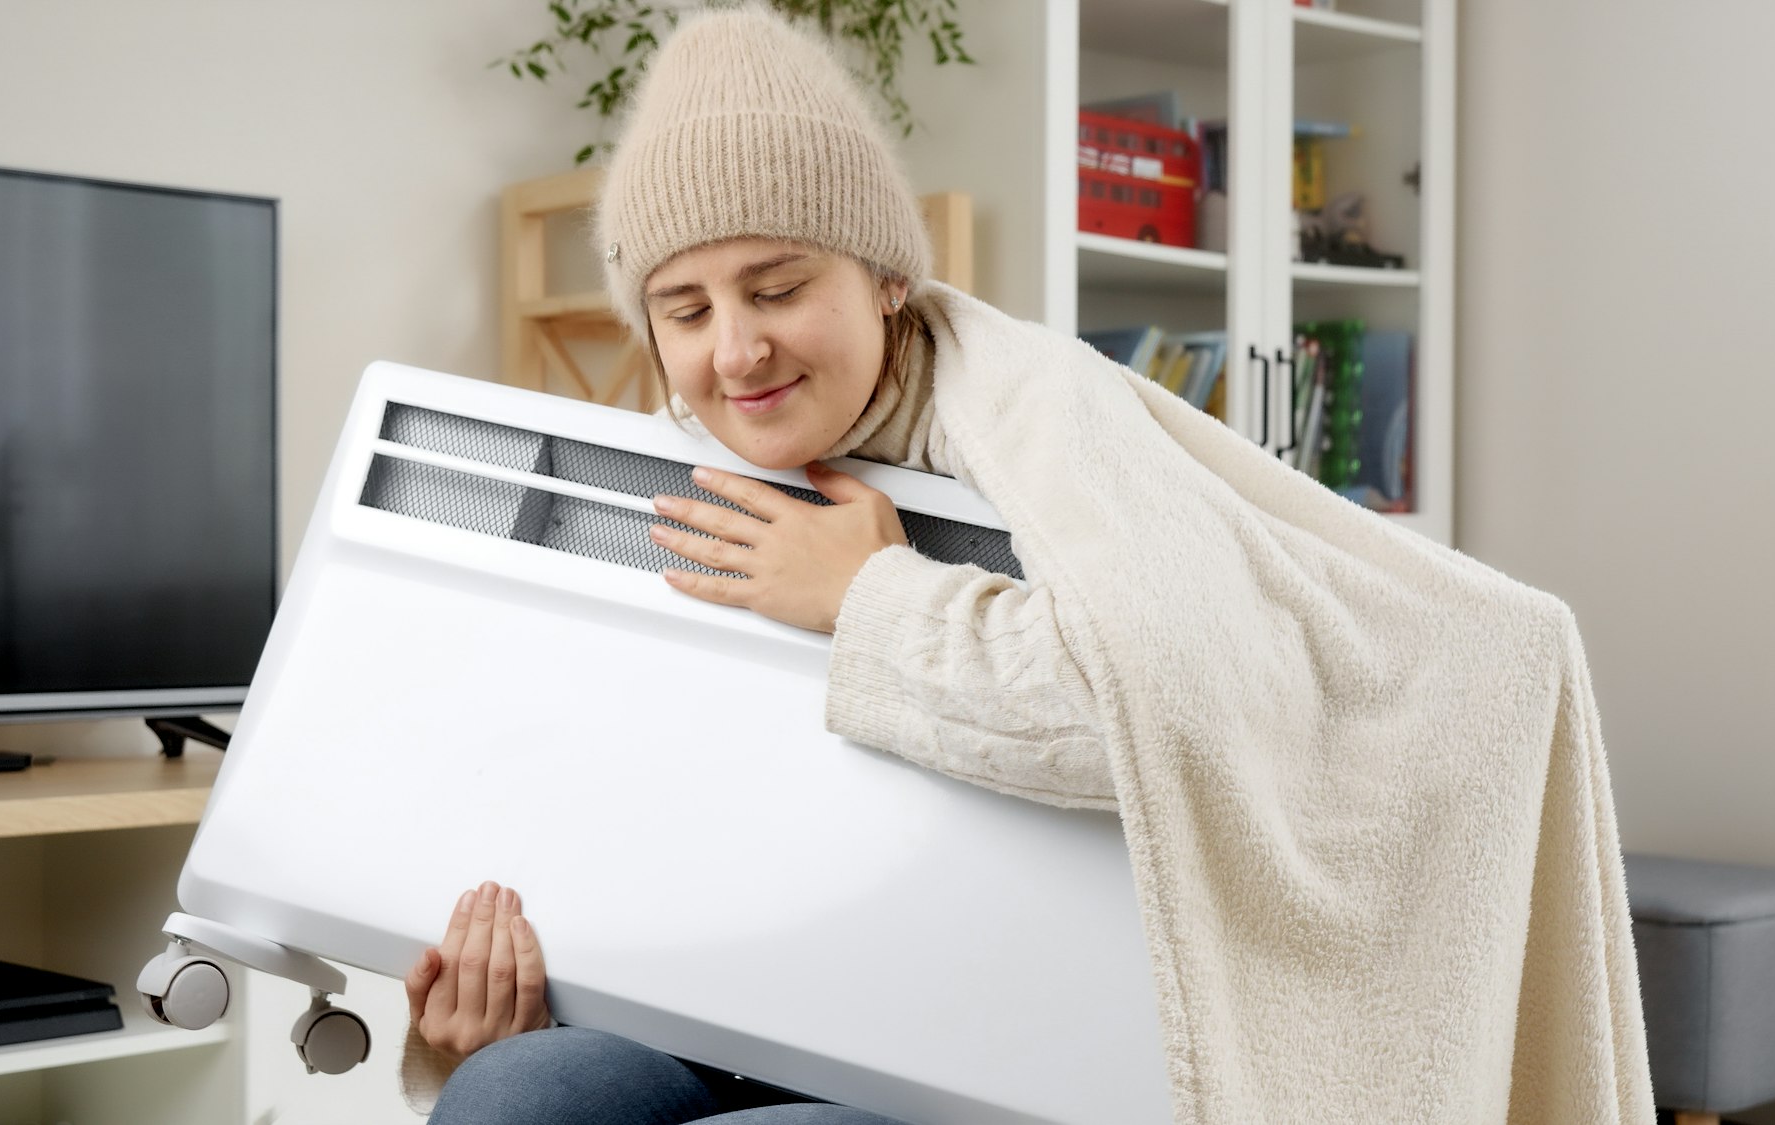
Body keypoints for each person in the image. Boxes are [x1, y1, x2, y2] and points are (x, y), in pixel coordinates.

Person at [403, 5, 1653, 1124]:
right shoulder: (668, 464)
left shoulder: (1035, 409)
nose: (734, 351)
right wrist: (492, 992)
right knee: (513, 1097)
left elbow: (1179, 702)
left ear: (887, 276)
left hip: (971, 1027)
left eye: (776, 286)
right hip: (731, 983)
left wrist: (869, 600)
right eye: (683, 310)